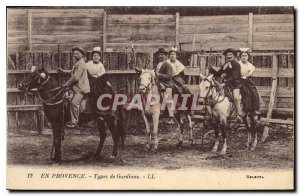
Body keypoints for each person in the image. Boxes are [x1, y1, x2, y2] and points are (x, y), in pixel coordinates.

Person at [58, 46, 90, 128]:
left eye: (77, 54)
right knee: (70, 101)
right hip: (77, 88)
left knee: (74, 103)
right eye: (74, 54)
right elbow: (73, 72)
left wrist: (66, 84)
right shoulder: (79, 63)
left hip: (81, 89)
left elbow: (76, 77)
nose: (75, 55)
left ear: (82, 54)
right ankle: (73, 120)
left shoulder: (81, 63)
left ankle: (74, 123)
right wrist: (63, 71)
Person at [209, 48, 243, 122]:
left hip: (235, 84)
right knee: (215, 95)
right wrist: (212, 69)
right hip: (226, 85)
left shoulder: (236, 65)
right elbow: (218, 74)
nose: (229, 56)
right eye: (227, 55)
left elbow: (235, 76)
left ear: (234, 56)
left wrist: (225, 83)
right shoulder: (225, 65)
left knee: (236, 98)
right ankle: (215, 113)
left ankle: (239, 115)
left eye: (230, 54)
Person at [86, 46, 114, 114]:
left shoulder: (101, 65)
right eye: (94, 56)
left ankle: (105, 108)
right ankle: (96, 111)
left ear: (100, 57)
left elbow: (103, 76)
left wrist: (107, 82)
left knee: (108, 90)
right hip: (91, 80)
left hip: (100, 81)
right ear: (92, 57)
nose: (96, 57)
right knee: (94, 93)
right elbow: (85, 73)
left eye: (98, 56)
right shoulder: (88, 64)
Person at [238, 48, 260, 114]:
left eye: (246, 56)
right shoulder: (237, 64)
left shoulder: (251, 66)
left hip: (246, 81)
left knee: (253, 92)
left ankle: (253, 109)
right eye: (243, 56)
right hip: (237, 79)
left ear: (248, 57)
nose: (244, 57)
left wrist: (245, 77)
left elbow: (249, 73)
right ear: (240, 57)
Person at [154, 48, 174, 119]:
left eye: (162, 54)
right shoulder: (156, 64)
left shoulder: (167, 65)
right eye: (159, 54)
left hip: (167, 84)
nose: (160, 56)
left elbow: (169, 76)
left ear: (165, 56)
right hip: (158, 83)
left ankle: (171, 114)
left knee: (168, 95)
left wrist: (159, 75)